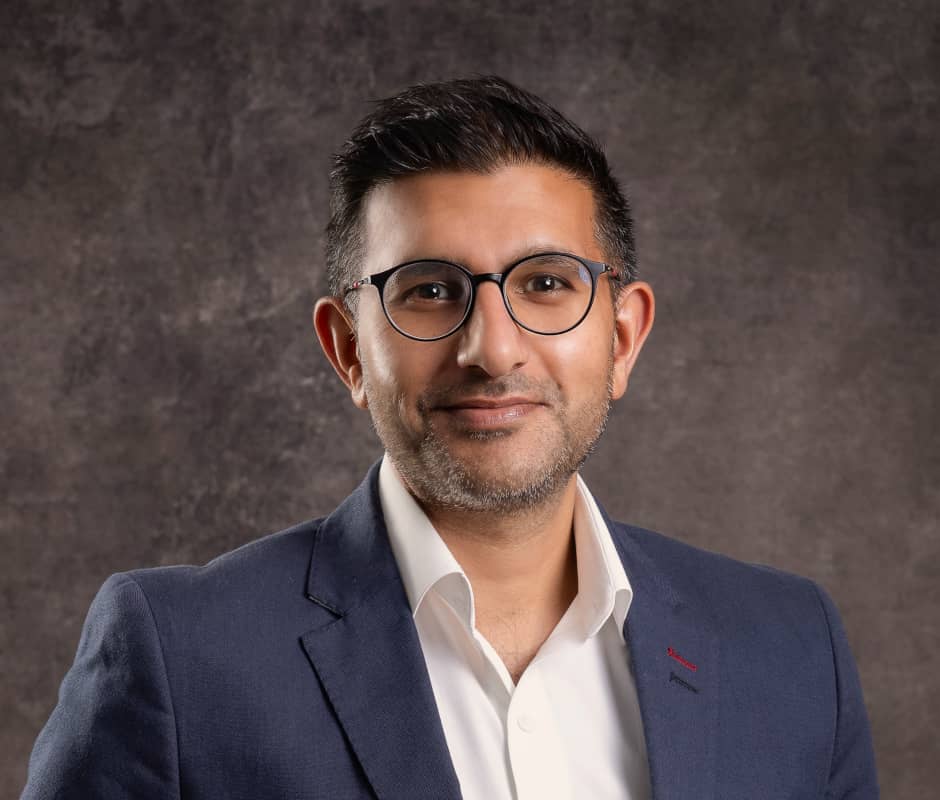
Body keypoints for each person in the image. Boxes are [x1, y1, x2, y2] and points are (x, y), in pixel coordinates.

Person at [22, 76, 879, 800]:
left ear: (622, 338)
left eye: (546, 283)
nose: (492, 348)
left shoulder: (792, 649)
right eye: (429, 290)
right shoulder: (178, 655)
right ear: (349, 348)